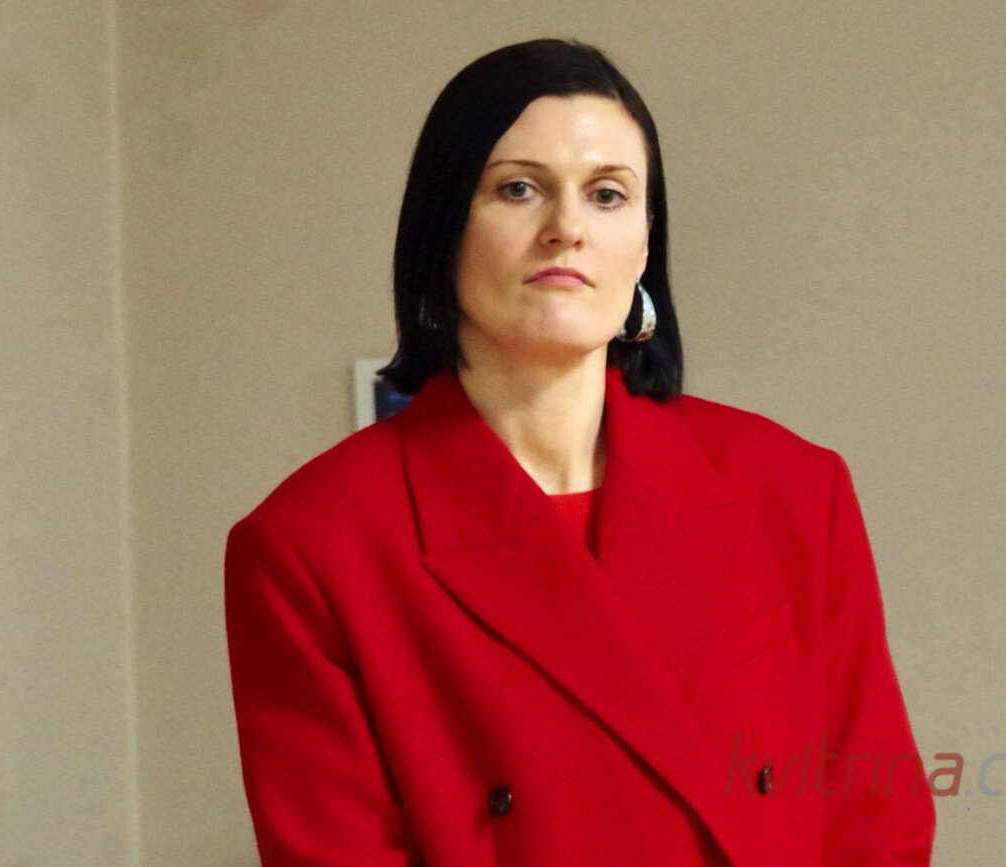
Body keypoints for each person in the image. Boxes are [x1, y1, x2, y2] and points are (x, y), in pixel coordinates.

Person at [224, 38, 935, 866]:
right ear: (443, 226)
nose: (566, 229)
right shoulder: (314, 546)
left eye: (606, 195)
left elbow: (876, 822)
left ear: (645, 242)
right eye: (518, 188)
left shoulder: (793, 488)